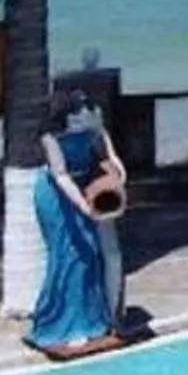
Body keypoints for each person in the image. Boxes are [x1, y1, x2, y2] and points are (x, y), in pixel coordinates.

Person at [28, 98, 130, 359]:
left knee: (89, 256)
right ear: (68, 117)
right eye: (81, 114)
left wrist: (118, 175)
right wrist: (85, 208)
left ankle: (90, 321)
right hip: (56, 197)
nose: (87, 117)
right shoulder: (51, 137)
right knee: (68, 256)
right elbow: (61, 176)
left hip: (84, 191)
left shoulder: (95, 129)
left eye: (89, 113)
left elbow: (110, 158)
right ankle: (59, 326)